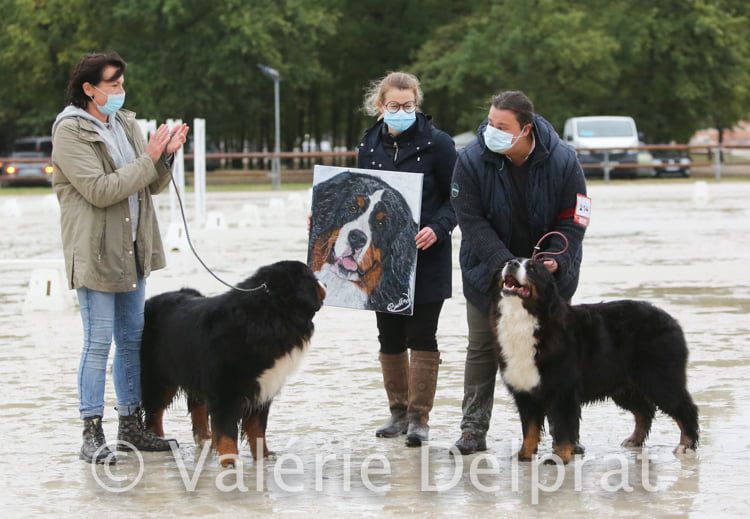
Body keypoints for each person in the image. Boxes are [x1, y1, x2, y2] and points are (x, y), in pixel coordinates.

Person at [51, 52, 189, 464]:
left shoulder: (126, 122)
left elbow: (153, 185)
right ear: (88, 88)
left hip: (133, 248)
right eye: (111, 84)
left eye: (122, 82)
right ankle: (90, 432)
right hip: (94, 252)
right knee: (98, 344)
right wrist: (149, 159)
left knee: (132, 341)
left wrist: (166, 155)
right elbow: (100, 189)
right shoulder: (70, 131)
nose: (119, 90)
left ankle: (131, 424)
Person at [450, 90, 588, 454]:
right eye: (490, 123)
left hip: (550, 280)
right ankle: (472, 428)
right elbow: (471, 221)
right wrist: (509, 268)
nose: (490, 131)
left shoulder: (564, 160)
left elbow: (574, 219)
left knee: (556, 353)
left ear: (525, 129)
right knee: (482, 348)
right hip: (487, 273)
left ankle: (565, 433)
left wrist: (554, 260)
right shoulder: (470, 160)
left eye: (501, 126)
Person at [355, 72, 457, 446]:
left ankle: (419, 418)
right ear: (380, 107)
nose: (402, 111)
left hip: (427, 256)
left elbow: (458, 199)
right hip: (381, 260)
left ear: (417, 104)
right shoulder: (368, 145)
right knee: (389, 335)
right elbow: (358, 196)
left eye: (408, 105)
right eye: (394, 106)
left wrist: (439, 228)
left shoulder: (440, 145)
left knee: (422, 334)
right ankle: (397, 412)